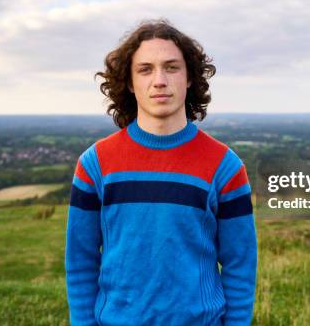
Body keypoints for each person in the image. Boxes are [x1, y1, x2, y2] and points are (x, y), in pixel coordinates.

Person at [65, 19, 257, 326]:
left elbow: (240, 266)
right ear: (129, 82)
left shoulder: (225, 166)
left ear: (190, 77)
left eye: (171, 67)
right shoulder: (94, 164)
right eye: (145, 69)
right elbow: (80, 262)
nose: (159, 80)